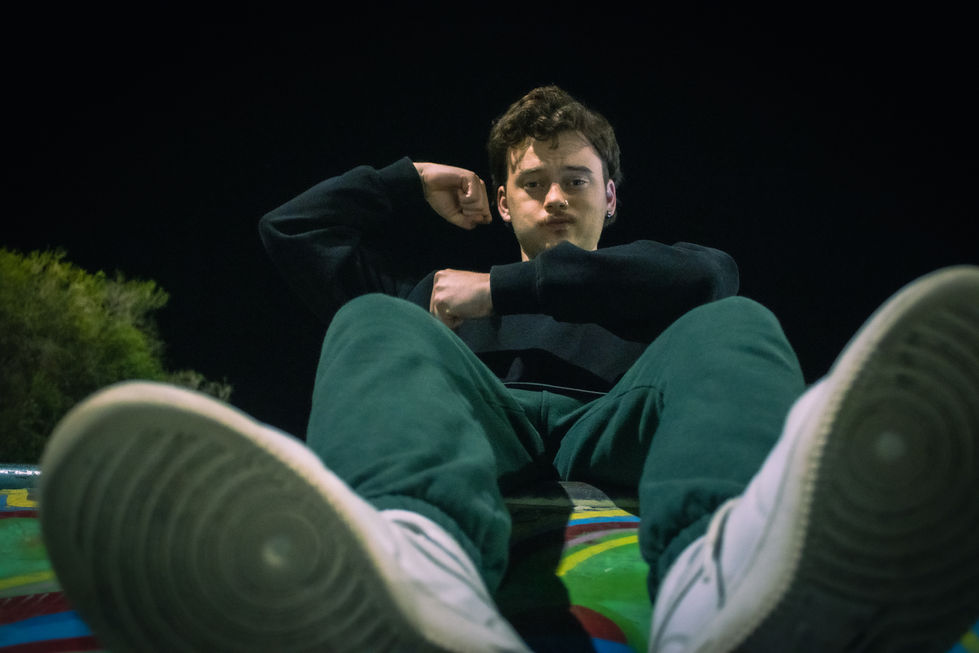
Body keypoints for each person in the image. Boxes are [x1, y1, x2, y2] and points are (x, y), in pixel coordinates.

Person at [38, 86, 979, 652]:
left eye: (577, 178)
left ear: (612, 193)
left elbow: (709, 272)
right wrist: (404, 177)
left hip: (608, 423)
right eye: (533, 182)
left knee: (734, 315)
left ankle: (722, 576)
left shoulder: (642, 283)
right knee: (376, 316)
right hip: (476, 431)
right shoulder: (431, 293)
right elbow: (289, 232)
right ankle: (422, 569)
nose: (557, 195)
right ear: (502, 199)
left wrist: (498, 290)